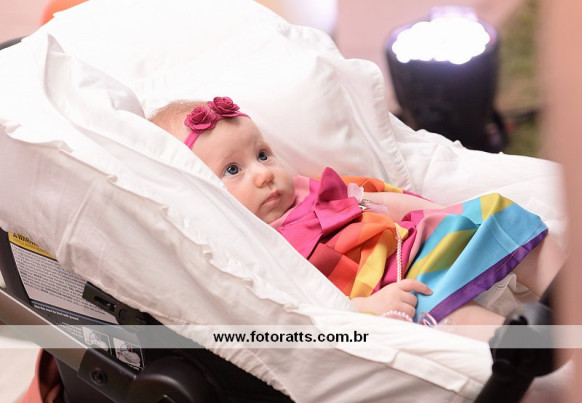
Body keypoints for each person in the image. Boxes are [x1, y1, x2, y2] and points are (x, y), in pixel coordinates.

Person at [150, 97, 566, 326]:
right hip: (400, 291)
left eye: (262, 154)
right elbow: (303, 308)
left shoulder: (311, 191)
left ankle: (568, 297)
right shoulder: (255, 250)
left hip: (416, 246)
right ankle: (535, 363)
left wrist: (446, 214)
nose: (263, 174)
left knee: (503, 215)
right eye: (233, 170)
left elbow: (380, 201)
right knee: (455, 319)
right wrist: (367, 308)